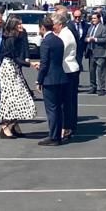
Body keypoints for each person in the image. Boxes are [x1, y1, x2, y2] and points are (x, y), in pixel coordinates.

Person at [0, 16, 36, 139]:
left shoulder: (17, 36)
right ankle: (5, 127)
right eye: (19, 24)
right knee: (13, 99)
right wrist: (30, 64)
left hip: (13, 68)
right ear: (14, 26)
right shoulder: (10, 39)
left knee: (19, 97)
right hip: (8, 69)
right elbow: (15, 58)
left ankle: (14, 125)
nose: (21, 26)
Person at [36, 16, 67, 147]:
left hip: (50, 79)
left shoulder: (46, 42)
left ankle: (54, 136)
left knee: (52, 109)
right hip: (60, 77)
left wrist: (39, 81)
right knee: (58, 109)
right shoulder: (58, 40)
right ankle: (58, 134)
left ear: (43, 28)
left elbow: (44, 64)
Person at [52, 12, 81, 142]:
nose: (52, 28)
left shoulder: (65, 35)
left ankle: (68, 127)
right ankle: (69, 126)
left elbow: (59, 52)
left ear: (60, 24)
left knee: (66, 102)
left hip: (68, 70)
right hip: (69, 69)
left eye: (53, 25)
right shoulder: (64, 33)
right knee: (67, 101)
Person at [86, 13, 106, 96]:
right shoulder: (90, 28)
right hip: (91, 52)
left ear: (99, 19)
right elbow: (86, 37)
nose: (93, 20)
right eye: (92, 18)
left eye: (95, 18)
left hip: (100, 53)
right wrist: (87, 39)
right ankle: (93, 86)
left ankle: (101, 88)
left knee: (101, 72)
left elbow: (105, 39)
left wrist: (95, 39)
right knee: (92, 71)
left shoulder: (103, 28)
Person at [67, 10, 89, 74]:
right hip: (71, 48)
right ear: (73, 16)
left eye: (79, 17)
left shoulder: (85, 25)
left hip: (80, 49)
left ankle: (76, 81)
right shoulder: (69, 25)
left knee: (78, 65)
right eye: (76, 17)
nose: (77, 18)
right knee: (72, 65)